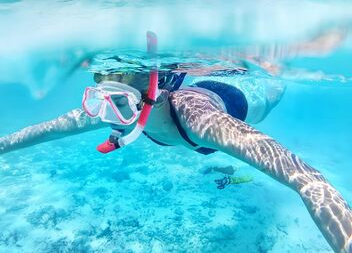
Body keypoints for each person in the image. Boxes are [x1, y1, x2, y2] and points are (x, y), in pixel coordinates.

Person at [0, 66, 351, 253]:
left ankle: (268, 72)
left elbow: (303, 176)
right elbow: (42, 131)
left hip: (245, 97)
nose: (106, 114)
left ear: (150, 95)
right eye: (101, 99)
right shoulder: (110, 108)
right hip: (203, 83)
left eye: (119, 102)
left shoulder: (201, 121)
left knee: (273, 91)